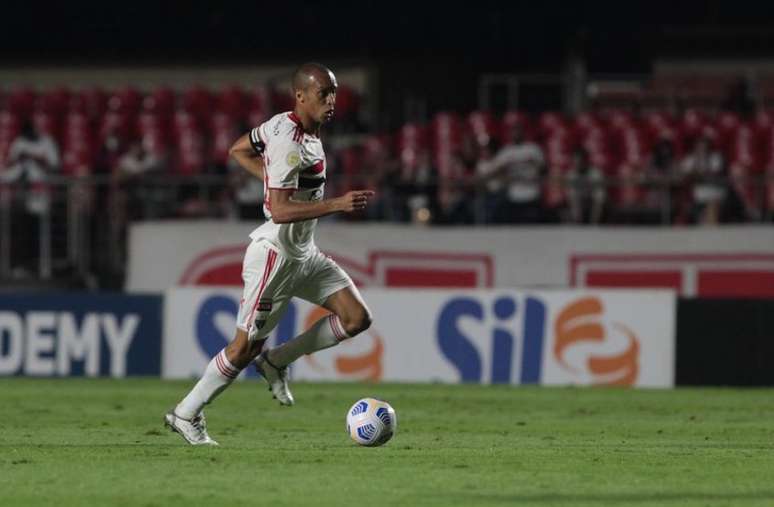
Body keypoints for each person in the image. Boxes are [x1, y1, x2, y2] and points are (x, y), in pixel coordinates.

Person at [165, 63, 375, 445]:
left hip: (303, 254)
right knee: (243, 347)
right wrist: (337, 204)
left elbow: (238, 148)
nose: (331, 101)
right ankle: (186, 413)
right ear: (300, 96)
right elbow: (278, 211)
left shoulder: (284, 125)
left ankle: (277, 361)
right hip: (275, 257)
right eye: (323, 94)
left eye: (334, 92)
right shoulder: (290, 144)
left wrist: (271, 180)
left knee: (356, 317)